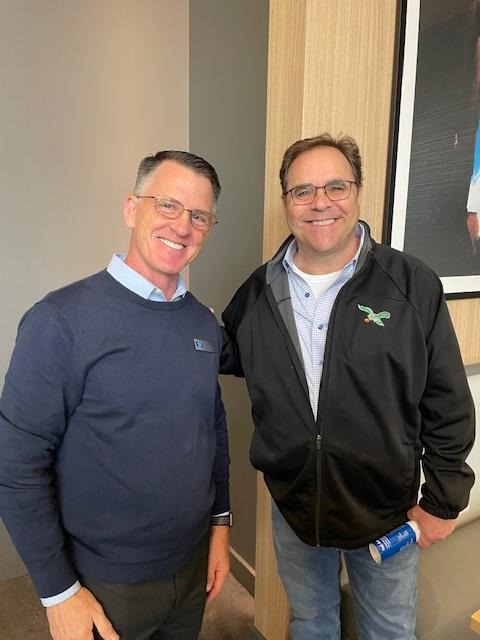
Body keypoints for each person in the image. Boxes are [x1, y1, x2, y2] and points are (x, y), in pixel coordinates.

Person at [221, 133, 475, 640]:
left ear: (358, 191)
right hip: (294, 505)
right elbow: (233, 354)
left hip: (385, 509)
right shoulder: (258, 291)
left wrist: (443, 500)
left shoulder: (411, 284)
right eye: (303, 191)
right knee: (310, 622)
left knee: (388, 631)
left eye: (336, 186)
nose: (320, 203)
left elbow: (447, 402)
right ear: (286, 201)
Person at [0, 150, 231, 640]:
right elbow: (15, 463)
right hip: (106, 581)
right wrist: (57, 591)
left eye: (199, 216)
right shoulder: (60, 321)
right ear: (131, 208)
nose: (182, 226)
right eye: (167, 205)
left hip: (190, 566)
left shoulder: (201, 322)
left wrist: (220, 525)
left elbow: (210, 428)